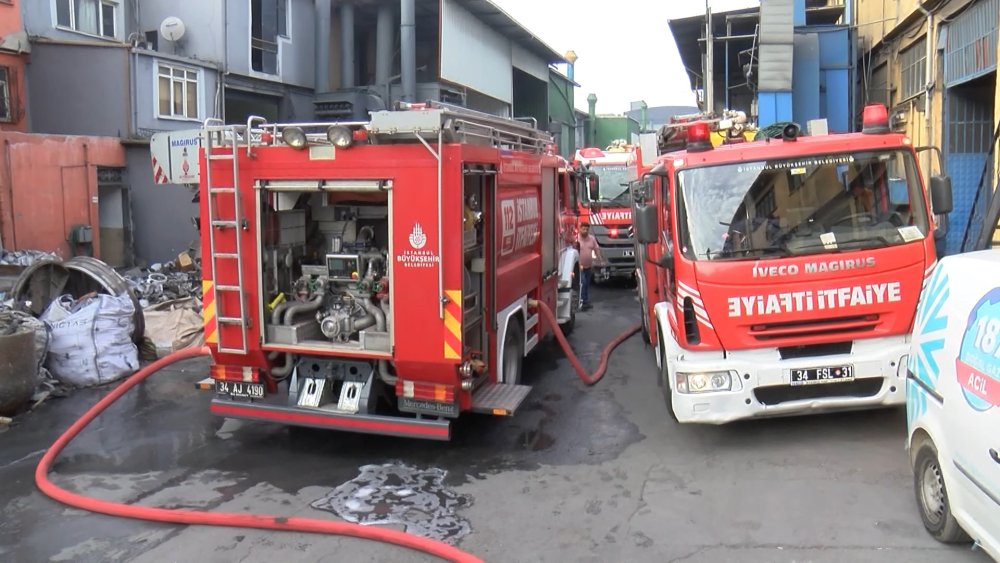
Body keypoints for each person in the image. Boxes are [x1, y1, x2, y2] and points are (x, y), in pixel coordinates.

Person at [576, 222, 602, 311]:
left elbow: (596, 249)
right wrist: (578, 265)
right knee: (582, 283)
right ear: (580, 229)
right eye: (583, 229)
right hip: (580, 267)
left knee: (586, 284)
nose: (585, 231)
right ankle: (581, 302)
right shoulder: (576, 239)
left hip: (588, 266)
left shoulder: (592, 239)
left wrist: (600, 259)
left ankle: (585, 301)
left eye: (587, 229)